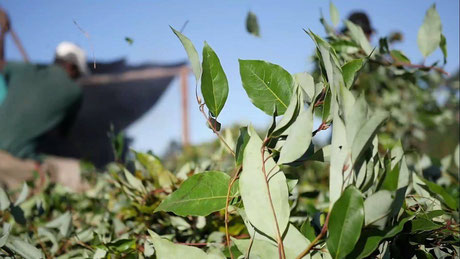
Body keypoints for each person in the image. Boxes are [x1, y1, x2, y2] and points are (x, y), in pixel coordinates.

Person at [0, 8, 88, 190]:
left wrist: (2, 30)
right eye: (78, 73)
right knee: (77, 173)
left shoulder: (25, 70)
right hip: (12, 162)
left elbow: (0, 63)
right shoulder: (74, 92)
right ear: (72, 67)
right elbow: (62, 134)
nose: (77, 78)